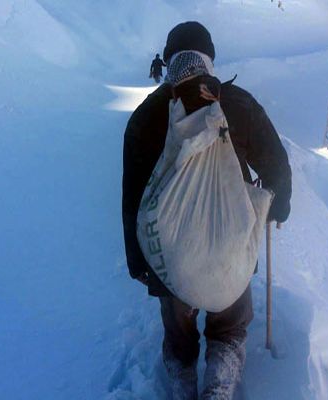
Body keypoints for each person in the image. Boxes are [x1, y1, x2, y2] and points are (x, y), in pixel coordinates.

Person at [122, 22, 292, 400]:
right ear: (209, 59)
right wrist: (279, 205)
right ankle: (219, 387)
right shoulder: (239, 104)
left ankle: (183, 385)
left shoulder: (146, 117)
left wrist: (138, 260)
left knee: (179, 337)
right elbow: (276, 165)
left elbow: (133, 196)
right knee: (229, 328)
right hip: (229, 247)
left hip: (170, 256)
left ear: (169, 63)